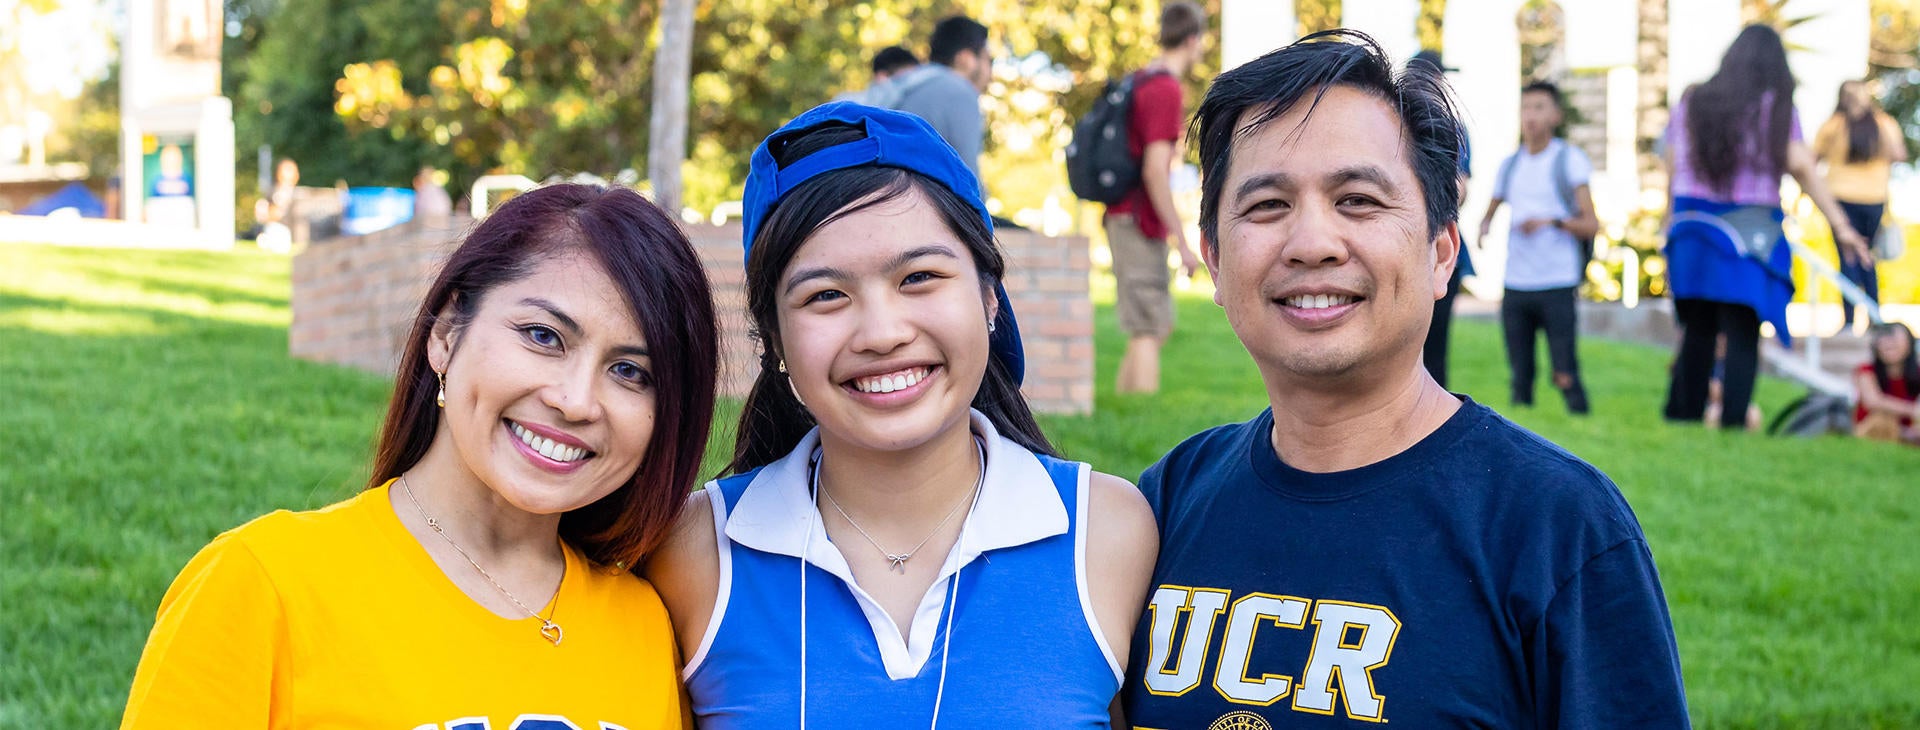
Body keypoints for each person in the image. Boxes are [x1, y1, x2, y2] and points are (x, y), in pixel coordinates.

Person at [1120, 31, 1689, 727]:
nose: (1313, 244)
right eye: (1267, 205)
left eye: (1358, 199)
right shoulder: (1167, 501)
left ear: (1441, 253)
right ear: (1213, 258)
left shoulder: (1559, 528)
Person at [121, 184, 719, 728]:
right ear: (446, 333)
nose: (576, 400)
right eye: (543, 336)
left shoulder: (647, 627)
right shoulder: (262, 584)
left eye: (630, 371)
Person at [649, 102, 1157, 728]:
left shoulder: (1110, 531)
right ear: (775, 339)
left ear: (989, 298)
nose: (882, 333)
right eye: (826, 295)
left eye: (919, 277)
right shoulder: (690, 550)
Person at [1662, 25, 1870, 429]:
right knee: (1743, 327)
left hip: (1691, 223)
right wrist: (1841, 225)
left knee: (1697, 325)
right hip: (1750, 229)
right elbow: (1802, 166)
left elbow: (1672, 165)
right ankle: (1733, 420)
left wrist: (1667, 222)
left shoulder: (1692, 100)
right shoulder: (1775, 108)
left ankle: (1684, 415)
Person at [1477, 80, 1599, 414]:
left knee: (1564, 368)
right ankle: (1522, 420)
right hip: (1516, 281)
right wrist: (1483, 229)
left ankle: (1580, 418)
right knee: (1520, 373)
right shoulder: (1510, 165)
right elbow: (1490, 211)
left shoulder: (1569, 160)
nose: (1531, 116)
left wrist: (1551, 222)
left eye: (1539, 107)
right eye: (1526, 108)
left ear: (1556, 115)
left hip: (1556, 280)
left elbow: (1591, 223)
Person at [1105, 1, 1208, 395]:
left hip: (1126, 216)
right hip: (1137, 218)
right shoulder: (1165, 88)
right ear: (1193, 39)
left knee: (1149, 326)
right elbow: (1154, 170)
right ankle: (1138, 408)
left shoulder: (1142, 79)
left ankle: (1127, 405)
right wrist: (1182, 240)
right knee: (1150, 326)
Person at [1815, 79, 1909, 332]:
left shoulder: (1834, 125)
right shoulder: (1884, 123)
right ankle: (1874, 317)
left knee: (1848, 259)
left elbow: (1812, 159)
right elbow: (1899, 154)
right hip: (1873, 199)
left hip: (1841, 200)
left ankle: (1849, 320)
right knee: (1867, 258)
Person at [1409, 49, 1475, 390]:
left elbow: (1460, 187)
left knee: (1435, 349)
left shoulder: (1452, 127)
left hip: (1438, 245)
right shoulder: (1398, 124)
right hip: (1415, 243)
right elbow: (1460, 188)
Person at [882, 16, 993, 177]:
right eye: (989, 60)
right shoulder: (959, 92)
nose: (990, 72)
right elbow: (968, 180)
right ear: (966, 59)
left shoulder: (910, 83)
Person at [1854, 322, 1919, 445]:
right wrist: (1912, 410)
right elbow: (1873, 401)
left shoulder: (1917, 373)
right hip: (1873, 428)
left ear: (1909, 343)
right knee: (1882, 419)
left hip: (1910, 429)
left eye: (1894, 341)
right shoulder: (1866, 371)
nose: (1888, 344)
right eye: (1884, 341)